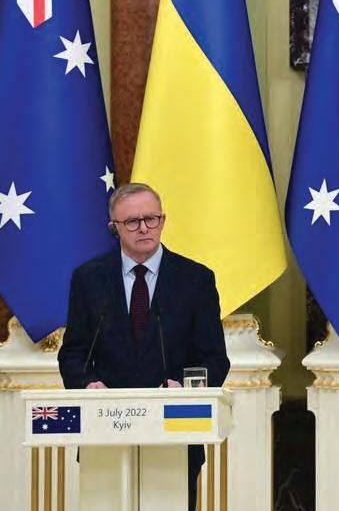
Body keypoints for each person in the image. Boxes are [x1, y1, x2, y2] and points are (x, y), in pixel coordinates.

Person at [58, 182, 230, 511]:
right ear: (114, 228)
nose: (144, 228)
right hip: (105, 431)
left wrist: (186, 388)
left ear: (162, 220)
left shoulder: (196, 279)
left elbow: (214, 358)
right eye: (132, 221)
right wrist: (87, 384)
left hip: (176, 433)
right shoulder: (89, 279)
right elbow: (73, 353)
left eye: (151, 219)